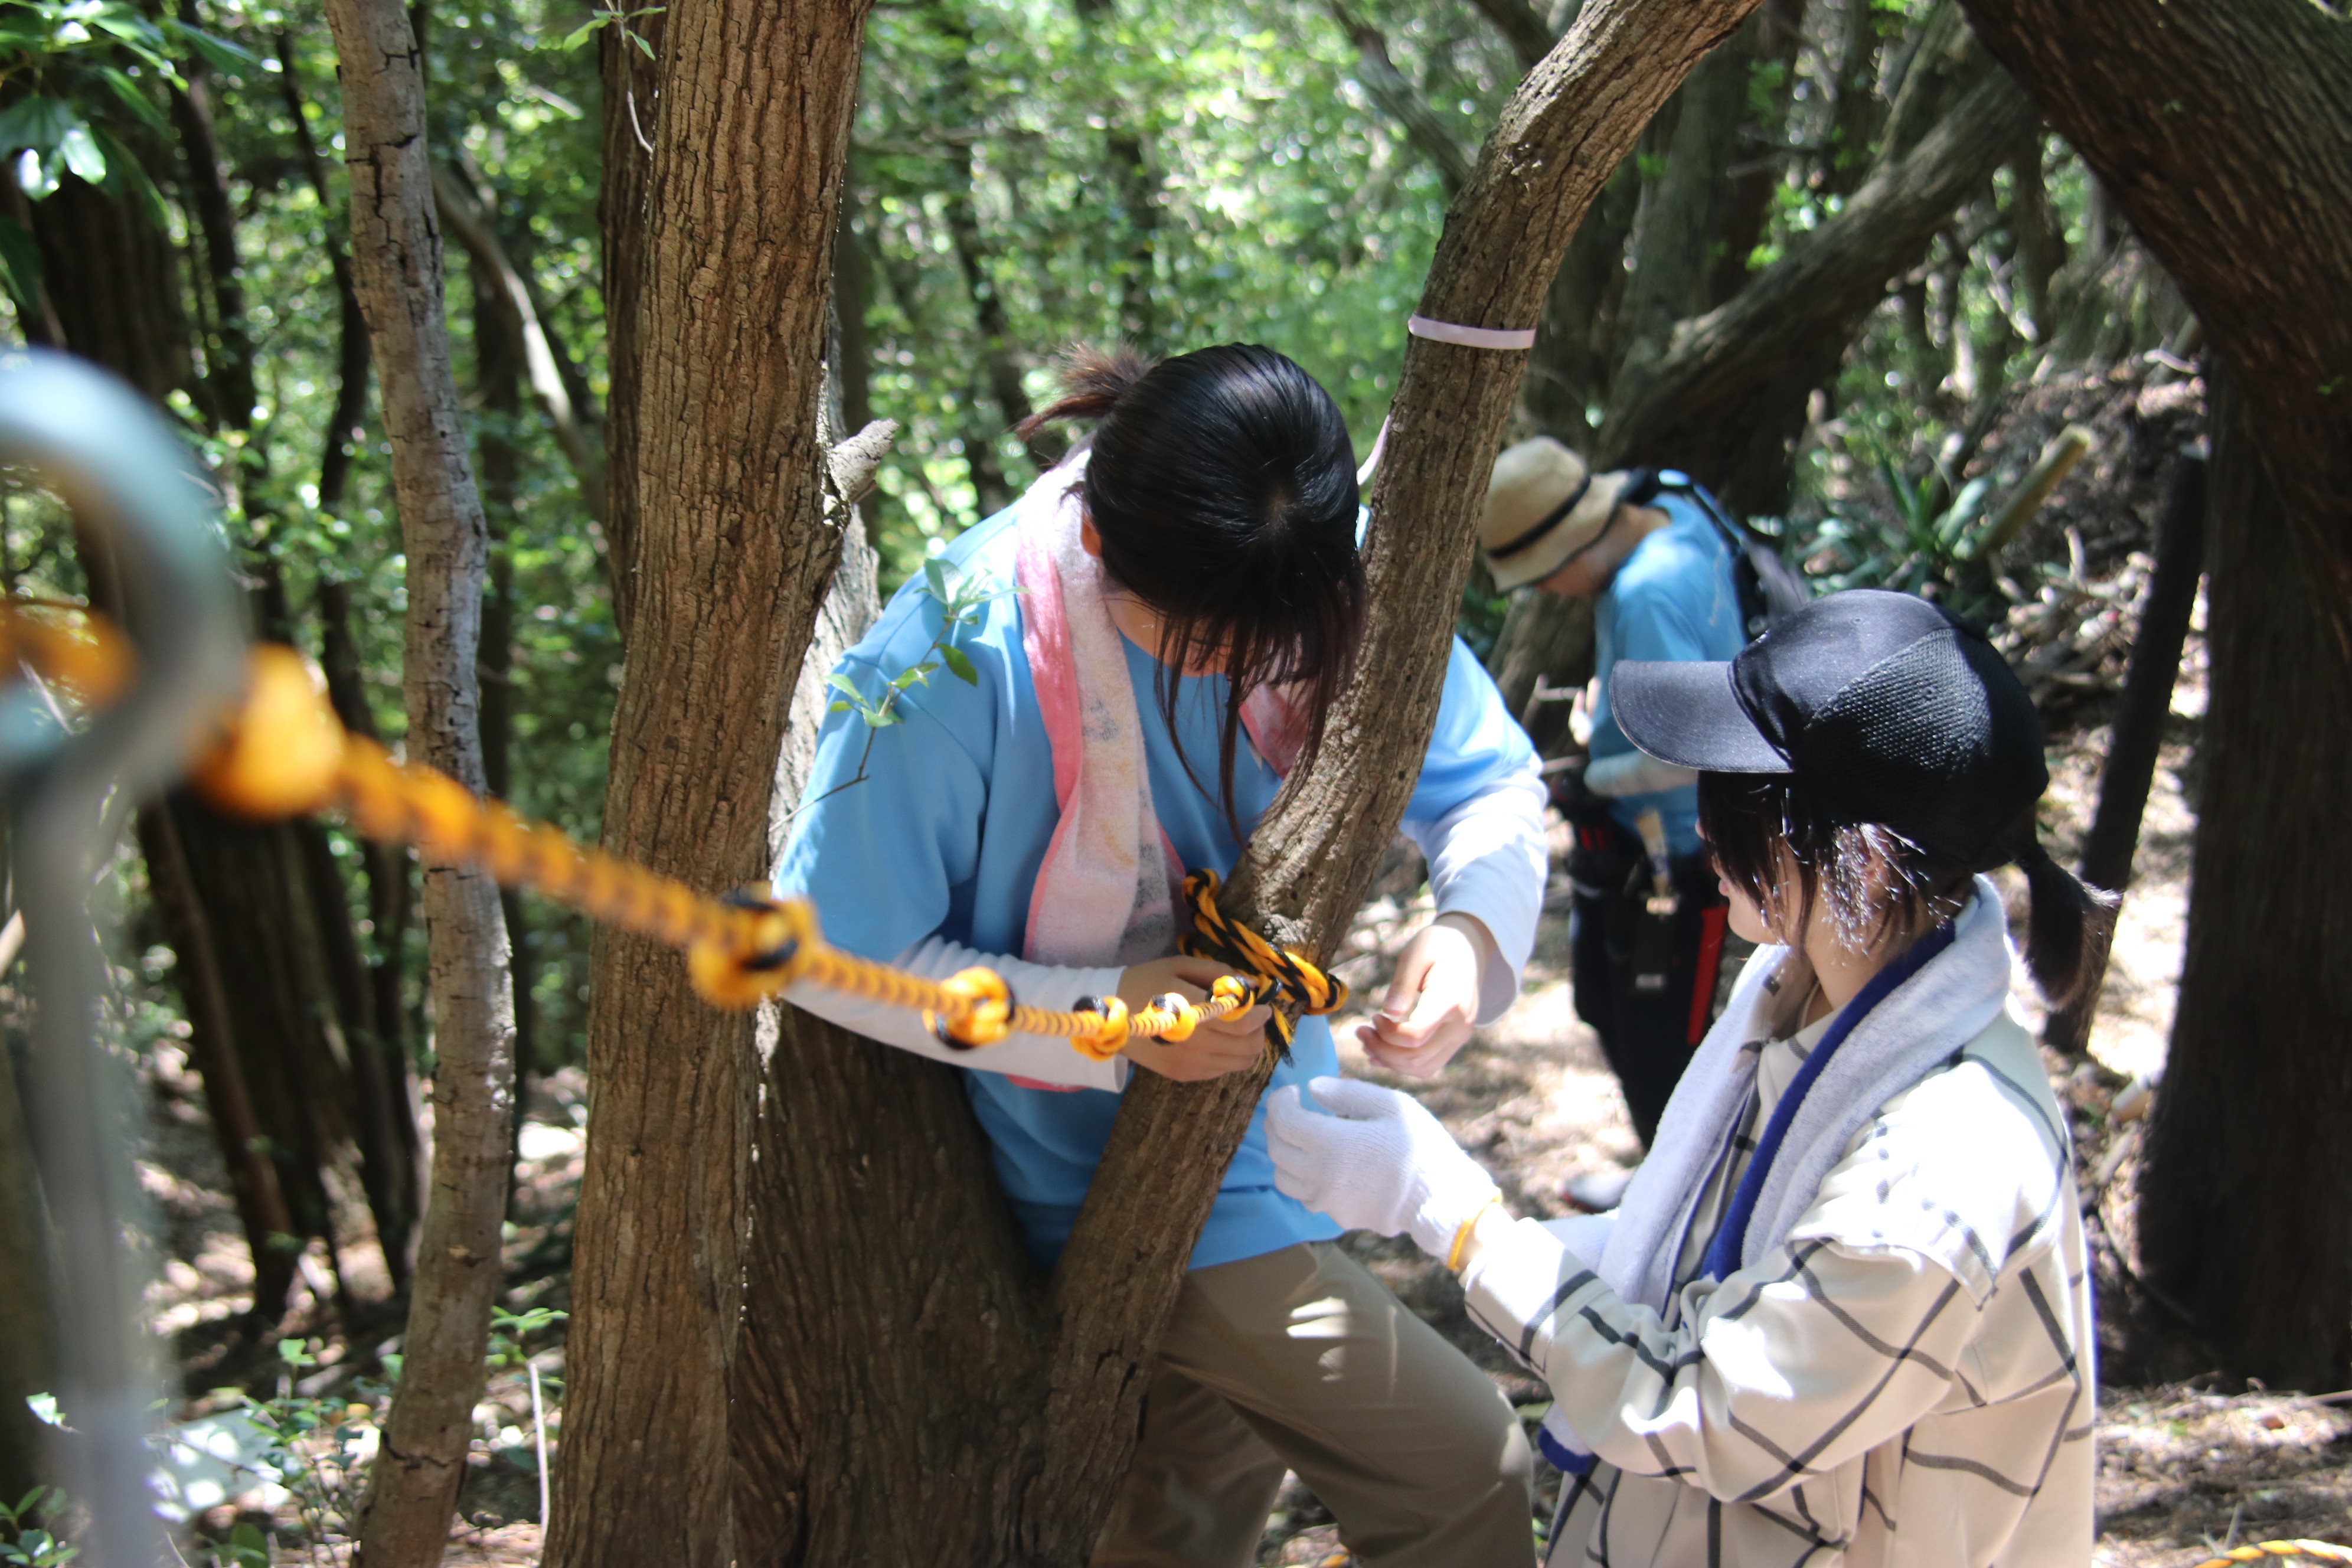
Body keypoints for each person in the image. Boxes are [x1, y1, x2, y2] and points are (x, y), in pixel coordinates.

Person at [775, 344, 1551, 1568]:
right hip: (1109, 1167)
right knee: (1467, 1467)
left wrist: (1472, 928)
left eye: (1269, 635)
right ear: (1101, 547)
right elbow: (830, 950)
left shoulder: (1311, 575)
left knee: (1188, 1513)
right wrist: (1097, 1014)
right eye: (1198, 634)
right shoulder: (953, 656)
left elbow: (1487, 781)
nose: (1237, 660)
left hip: (1279, 1116)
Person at [1265, 590, 2104, 1567]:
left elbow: (1703, 1409)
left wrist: (1450, 1212)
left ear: (1865, 865)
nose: (1706, 816)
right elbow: (1707, 1252)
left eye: (1745, 791)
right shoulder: (1809, 999)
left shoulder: (1930, 1178)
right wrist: (1440, 1213)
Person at [1476, 439, 1747, 1171]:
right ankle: (1659, 1183)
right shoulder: (1676, 503)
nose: (1547, 591)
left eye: (1542, 574)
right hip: (1644, 849)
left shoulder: (1644, 593)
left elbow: (1690, 754)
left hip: (1676, 860)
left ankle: (1682, 1204)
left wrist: (1594, 774)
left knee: (1662, 1048)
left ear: (1568, 549)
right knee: (1609, 1008)